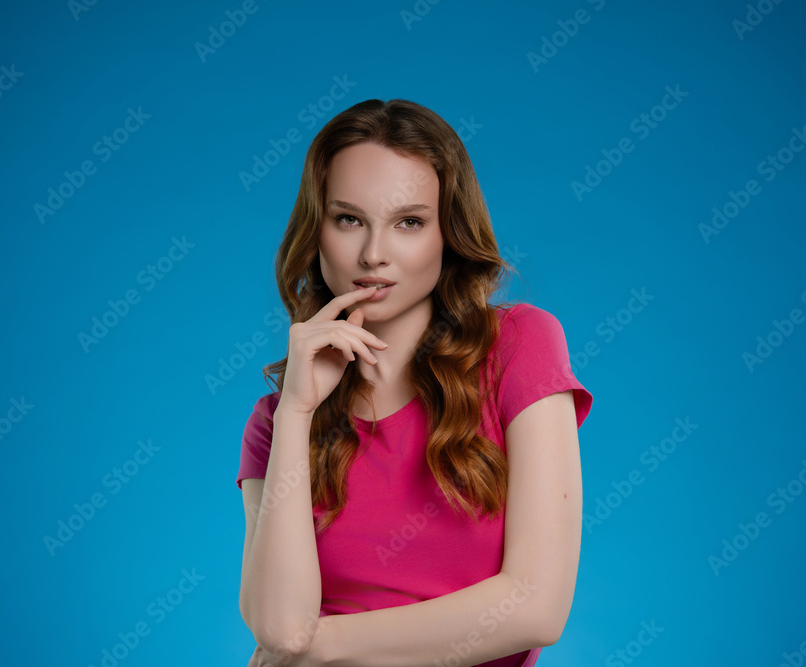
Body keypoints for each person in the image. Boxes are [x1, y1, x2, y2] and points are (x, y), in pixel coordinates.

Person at [237, 98, 593, 667]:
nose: (374, 254)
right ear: (316, 230)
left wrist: (323, 645)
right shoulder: (276, 421)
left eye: (409, 222)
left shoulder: (520, 346)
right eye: (348, 219)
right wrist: (297, 413)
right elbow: (280, 629)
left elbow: (535, 608)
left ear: (447, 234)